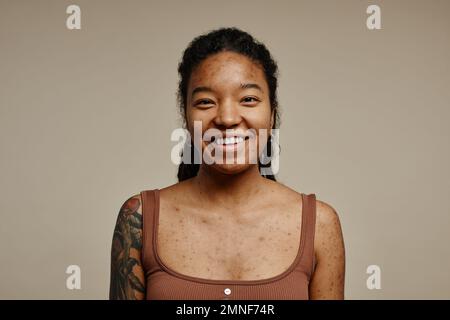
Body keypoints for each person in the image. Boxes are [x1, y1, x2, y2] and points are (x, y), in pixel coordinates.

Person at [109, 27, 345, 300]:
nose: (228, 118)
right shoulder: (138, 218)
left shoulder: (320, 224)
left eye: (248, 99)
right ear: (186, 117)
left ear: (272, 114)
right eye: (206, 101)